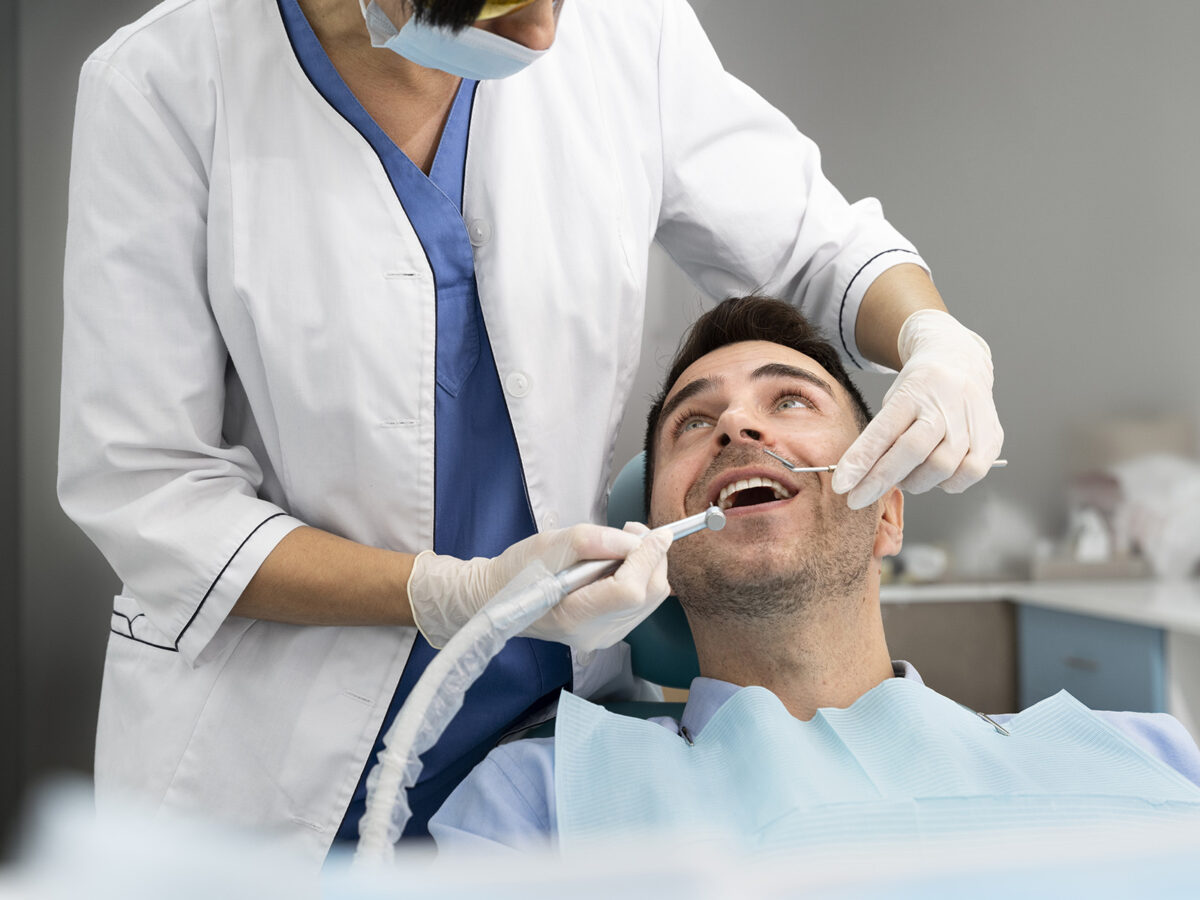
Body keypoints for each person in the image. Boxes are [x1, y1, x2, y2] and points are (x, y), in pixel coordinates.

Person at [58, 0, 1003, 863]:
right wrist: (454, 593)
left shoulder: (628, 32)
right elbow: (150, 491)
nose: (549, 35)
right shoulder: (164, 85)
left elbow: (813, 246)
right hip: (263, 771)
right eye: (505, 3)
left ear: (889, 521)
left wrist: (933, 337)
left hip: (551, 741)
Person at [429, 296, 1200, 853]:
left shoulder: (1150, 753)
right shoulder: (538, 800)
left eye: (790, 400)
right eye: (694, 423)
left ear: (889, 513)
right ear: (656, 533)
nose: (737, 426)